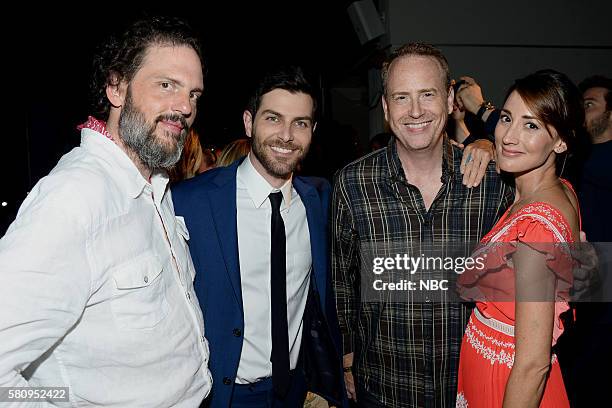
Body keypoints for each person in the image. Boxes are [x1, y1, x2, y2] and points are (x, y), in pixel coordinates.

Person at [0, 16, 212, 406]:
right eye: (166, 85)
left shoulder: (156, 188)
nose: (184, 107)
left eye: (194, 94)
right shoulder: (74, 199)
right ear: (117, 87)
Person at [331, 43, 512, 407]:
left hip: (473, 389)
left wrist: (494, 145)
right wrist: (348, 362)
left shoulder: (495, 183)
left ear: (449, 99)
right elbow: (342, 283)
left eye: (427, 94)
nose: (415, 111)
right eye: (401, 97)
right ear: (385, 107)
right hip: (384, 388)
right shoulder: (353, 183)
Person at [172, 66, 344, 407]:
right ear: (249, 122)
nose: (286, 135)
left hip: (296, 389)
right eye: (273, 119)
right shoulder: (191, 201)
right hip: (222, 393)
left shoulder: (318, 199)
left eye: (301, 123)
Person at [456, 69, 582, 407]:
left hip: (510, 381)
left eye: (531, 125)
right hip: (497, 367)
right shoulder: (560, 191)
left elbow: (533, 364)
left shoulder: (536, 230)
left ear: (561, 141)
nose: (509, 136)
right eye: (506, 118)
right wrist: (481, 142)